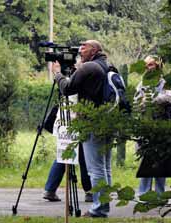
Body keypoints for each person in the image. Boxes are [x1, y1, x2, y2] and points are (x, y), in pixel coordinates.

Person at [51, 40, 111, 218]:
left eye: (84, 47)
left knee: (96, 169)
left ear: (94, 50)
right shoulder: (107, 66)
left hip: (92, 122)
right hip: (108, 121)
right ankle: (103, 206)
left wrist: (58, 74)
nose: (80, 49)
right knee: (104, 168)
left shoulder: (89, 68)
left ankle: (99, 209)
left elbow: (68, 89)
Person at [133, 55, 171, 196]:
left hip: (163, 126)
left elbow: (168, 98)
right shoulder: (142, 83)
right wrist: (146, 101)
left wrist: (148, 101)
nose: (148, 68)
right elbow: (136, 103)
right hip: (146, 127)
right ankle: (143, 194)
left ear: (158, 66)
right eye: (146, 65)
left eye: (150, 65)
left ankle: (160, 195)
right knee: (146, 159)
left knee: (161, 161)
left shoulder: (167, 82)